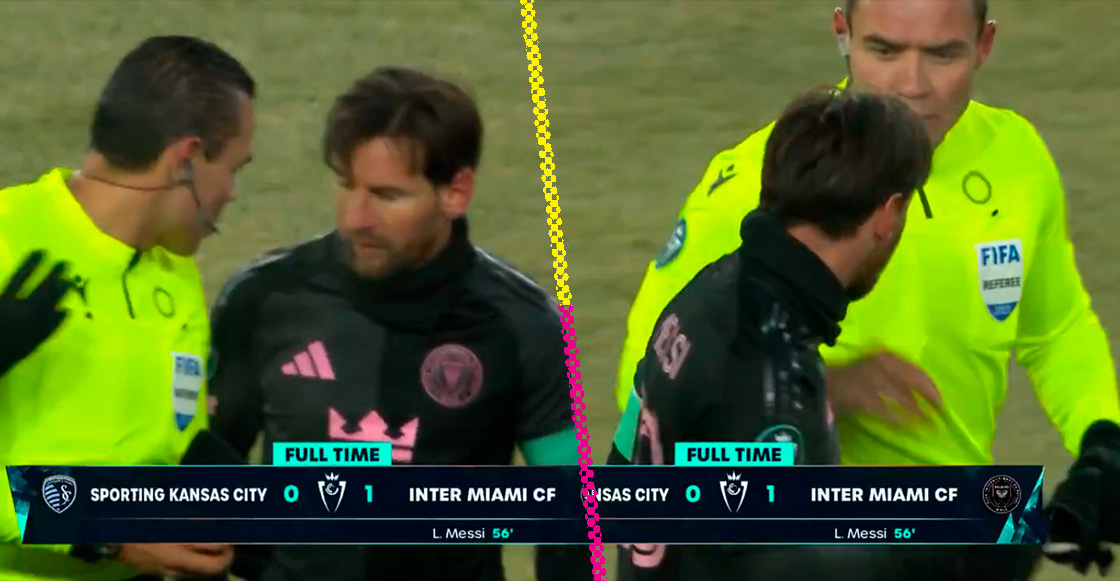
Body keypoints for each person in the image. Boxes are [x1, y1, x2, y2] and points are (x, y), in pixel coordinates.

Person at [207, 66, 589, 581]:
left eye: (387, 196)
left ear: (456, 192)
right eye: (347, 186)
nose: (356, 218)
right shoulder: (265, 300)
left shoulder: (522, 324)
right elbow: (206, 483)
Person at [608, 88, 935, 580]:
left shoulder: (710, 291)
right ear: (887, 215)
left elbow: (622, 463)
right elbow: (777, 564)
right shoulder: (770, 369)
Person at [0, 35, 255, 580]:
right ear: (186, 160)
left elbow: (170, 449)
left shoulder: (174, 273)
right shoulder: (7, 241)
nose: (232, 193)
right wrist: (100, 527)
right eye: (234, 168)